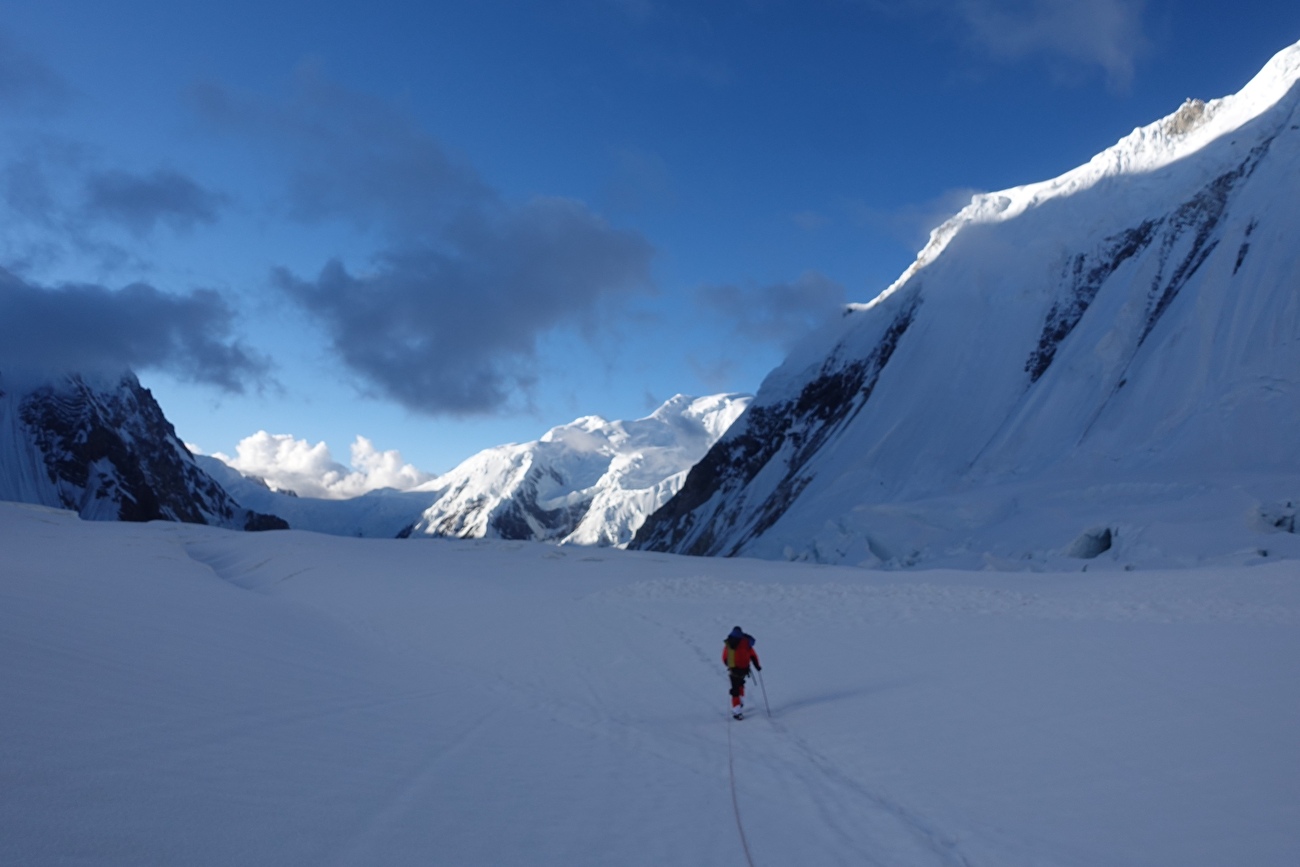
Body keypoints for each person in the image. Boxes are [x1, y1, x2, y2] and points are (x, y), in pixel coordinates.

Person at [722, 626, 761, 719]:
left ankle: (737, 711)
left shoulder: (729, 643)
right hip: (744, 669)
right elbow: (753, 655)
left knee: (735, 689)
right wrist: (757, 666)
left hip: (733, 670)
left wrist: (729, 665)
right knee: (740, 684)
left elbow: (724, 658)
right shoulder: (746, 642)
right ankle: (741, 702)